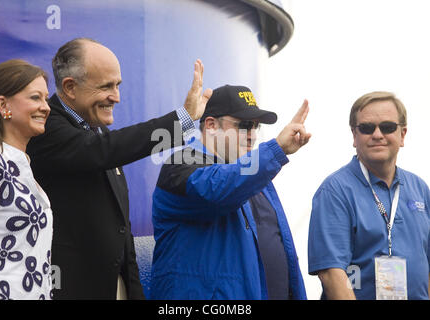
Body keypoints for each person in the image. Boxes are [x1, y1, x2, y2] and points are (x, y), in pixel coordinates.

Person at [26, 38, 212, 300]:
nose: (116, 96)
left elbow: (122, 232)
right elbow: (101, 150)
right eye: (106, 87)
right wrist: (181, 120)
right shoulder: (47, 129)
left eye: (117, 85)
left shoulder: (97, 132)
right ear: (70, 87)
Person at [150, 84, 310, 299]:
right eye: (244, 125)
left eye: (256, 127)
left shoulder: (255, 175)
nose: (252, 135)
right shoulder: (179, 166)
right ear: (211, 125)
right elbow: (216, 191)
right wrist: (277, 149)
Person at [308, 91, 430, 300]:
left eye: (388, 127)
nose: (377, 134)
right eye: (366, 128)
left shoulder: (419, 188)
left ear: (403, 135)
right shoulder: (335, 190)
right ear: (354, 136)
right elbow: (331, 274)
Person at [0, 59, 52, 300]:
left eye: (46, 98)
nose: (46, 107)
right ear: (3, 104)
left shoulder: (23, 166)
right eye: (35, 98)